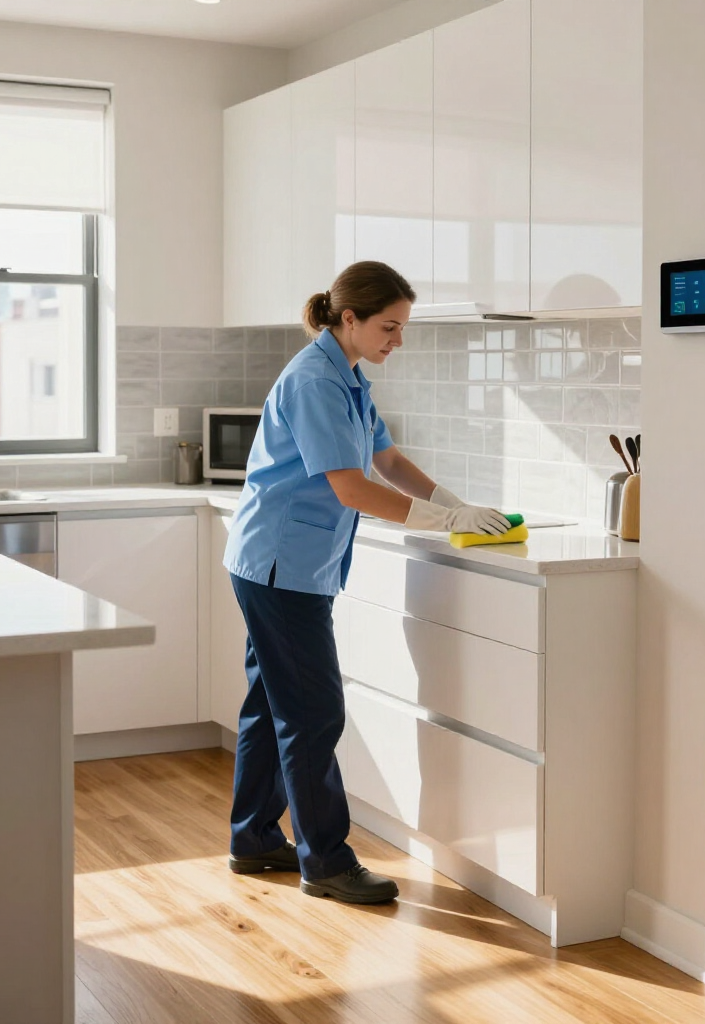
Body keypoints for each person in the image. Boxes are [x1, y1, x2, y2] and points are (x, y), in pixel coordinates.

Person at [223, 261, 511, 904]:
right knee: (312, 712)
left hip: (289, 563)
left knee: (271, 707)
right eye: (390, 326)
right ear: (348, 318)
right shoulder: (313, 382)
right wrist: (444, 520)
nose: (397, 341)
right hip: (280, 566)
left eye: (402, 327)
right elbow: (351, 487)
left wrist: (457, 504)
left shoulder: (347, 376)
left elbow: (386, 459)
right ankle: (324, 861)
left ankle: (254, 838)